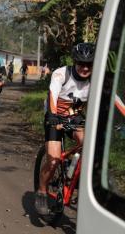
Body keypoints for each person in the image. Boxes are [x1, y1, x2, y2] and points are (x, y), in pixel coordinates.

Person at [35, 42, 95, 215]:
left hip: (75, 117)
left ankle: (72, 173)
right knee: (53, 160)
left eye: (89, 64)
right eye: (81, 64)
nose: (85, 68)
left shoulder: (95, 79)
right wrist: (53, 117)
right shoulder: (61, 74)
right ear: (75, 62)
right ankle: (41, 191)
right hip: (55, 116)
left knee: (88, 147)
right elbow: (53, 94)